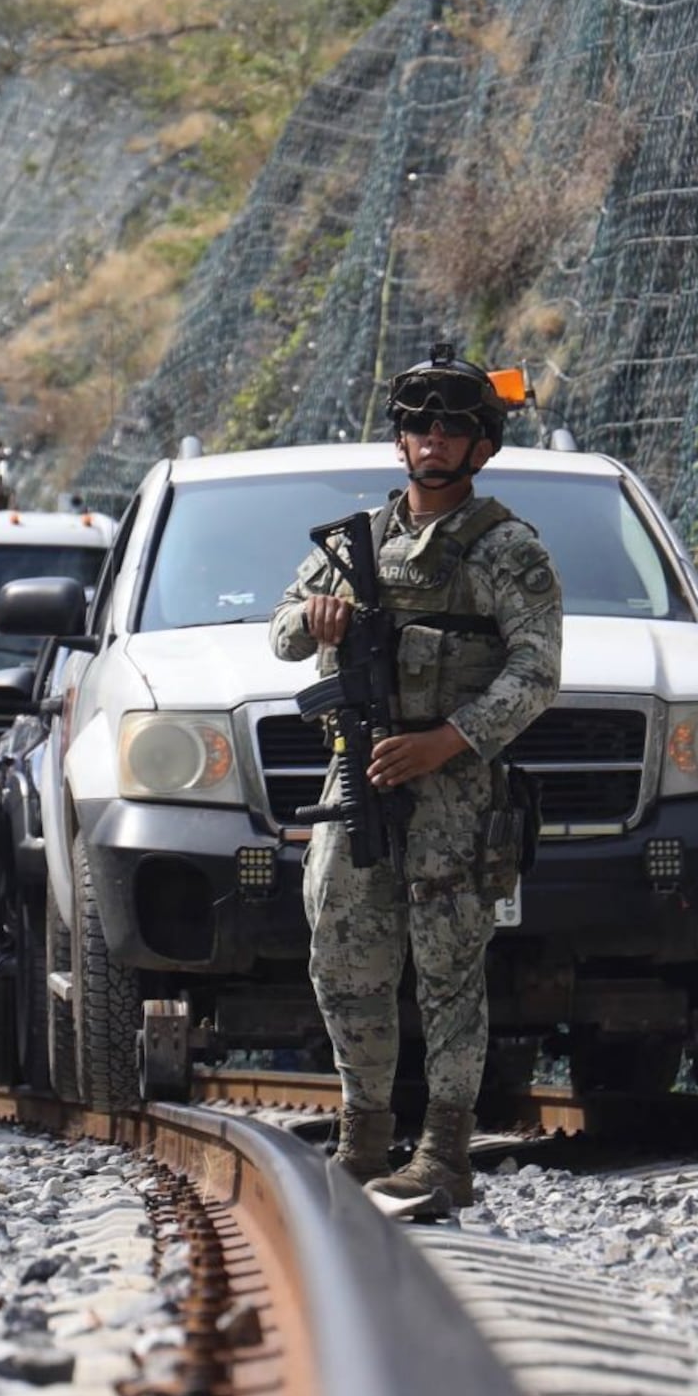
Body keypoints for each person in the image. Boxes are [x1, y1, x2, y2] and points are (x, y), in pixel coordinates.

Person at [269, 345, 562, 1213]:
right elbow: (283, 633)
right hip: (357, 773)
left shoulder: (507, 551)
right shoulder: (359, 541)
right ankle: (363, 1135)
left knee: (448, 971)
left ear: (481, 447)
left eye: (453, 427)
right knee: (344, 958)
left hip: (454, 794)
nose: (433, 440)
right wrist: (314, 614)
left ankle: (442, 1153)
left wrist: (449, 742)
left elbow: (536, 673)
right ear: (400, 442)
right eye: (419, 426)